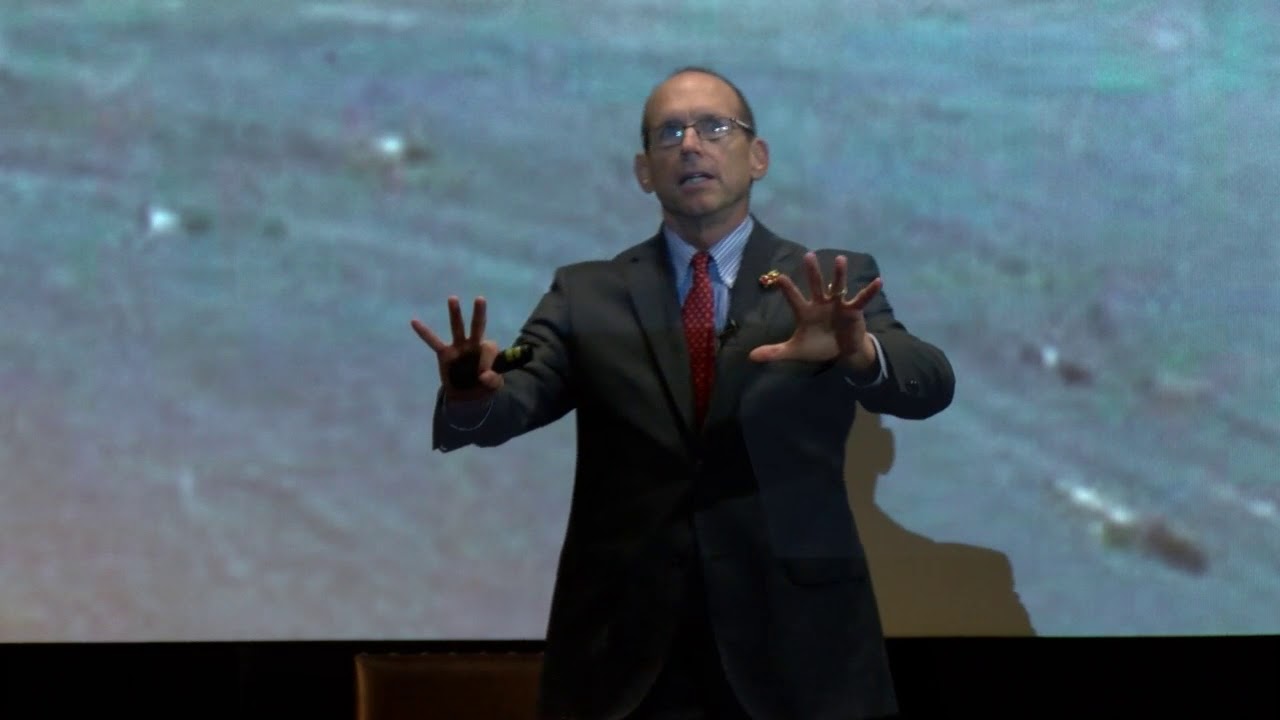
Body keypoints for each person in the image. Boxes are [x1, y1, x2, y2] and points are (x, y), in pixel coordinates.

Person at [411, 66, 955, 720]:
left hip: (800, 651)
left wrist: (858, 351)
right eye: (669, 133)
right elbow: (516, 388)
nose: (690, 145)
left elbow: (927, 381)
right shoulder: (586, 294)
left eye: (713, 127)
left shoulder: (825, 287)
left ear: (757, 157)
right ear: (645, 171)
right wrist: (471, 393)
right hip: (627, 659)